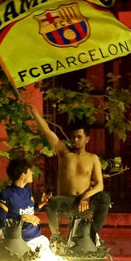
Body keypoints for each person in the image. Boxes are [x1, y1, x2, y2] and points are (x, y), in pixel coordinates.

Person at [30, 104, 110, 246]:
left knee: (104, 197)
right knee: (53, 202)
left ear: (87, 139)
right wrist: (35, 112)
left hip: (84, 203)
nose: (75, 140)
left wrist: (86, 197)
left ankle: (93, 234)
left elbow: (100, 185)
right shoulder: (64, 152)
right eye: (73, 137)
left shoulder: (93, 158)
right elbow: (47, 132)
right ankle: (56, 237)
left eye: (79, 137)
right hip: (67, 202)